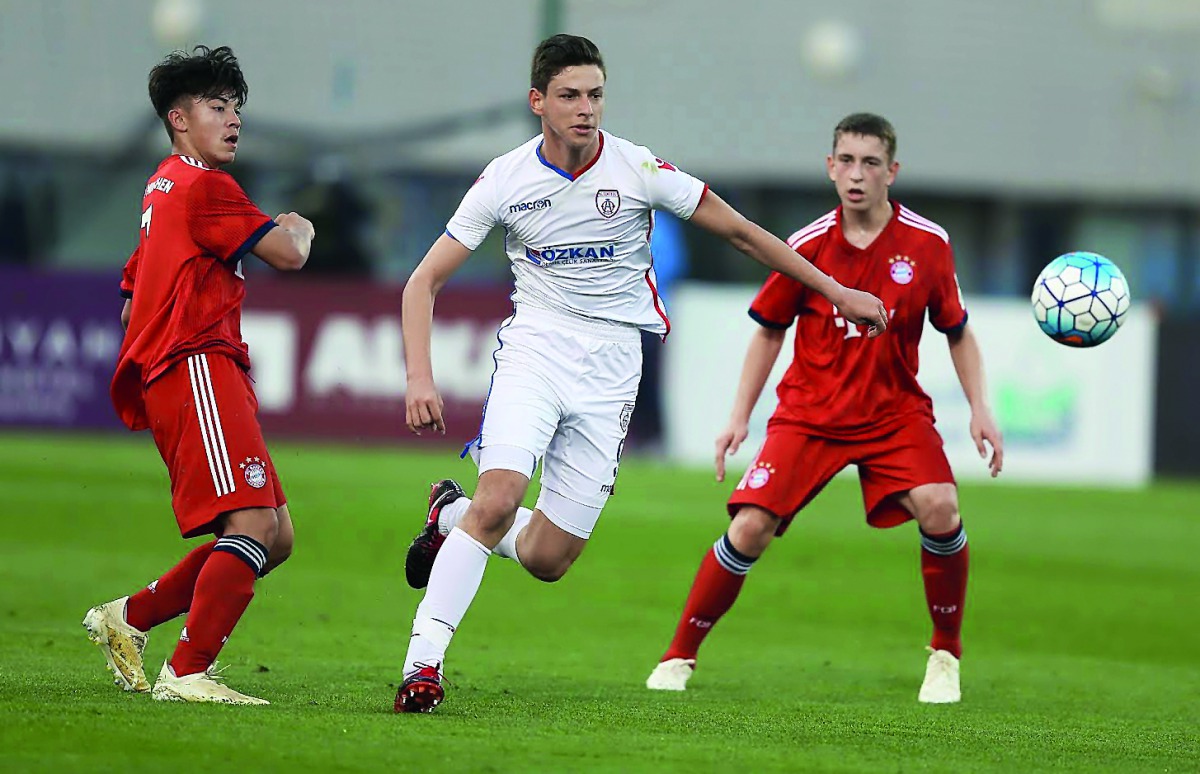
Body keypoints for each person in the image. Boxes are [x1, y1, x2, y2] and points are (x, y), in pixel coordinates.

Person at [394, 35, 888, 714]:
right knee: (502, 493)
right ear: (538, 102)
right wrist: (420, 377)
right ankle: (424, 664)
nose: (585, 108)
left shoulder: (639, 168)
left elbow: (742, 232)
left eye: (595, 94)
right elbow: (422, 282)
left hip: (613, 366)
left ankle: (449, 514)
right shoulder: (505, 178)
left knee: (547, 559)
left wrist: (835, 291)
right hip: (536, 350)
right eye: (569, 95)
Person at [645, 112, 1004, 704]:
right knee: (750, 527)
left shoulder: (928, 244)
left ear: (893, 171)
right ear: (829, 166)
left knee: (941, 505)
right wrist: (738, 416)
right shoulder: (807, 246)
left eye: (869, 162)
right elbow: (767, 330)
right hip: (810, 414)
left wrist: (980, 408)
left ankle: (945, 655)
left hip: (894, 414)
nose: (855, 174)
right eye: (845, 160)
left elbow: (957, 330)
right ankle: (678, 655)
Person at [82, 45, 315, 706]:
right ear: (180, 118)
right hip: (196, 367)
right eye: (218, 107)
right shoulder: (206, 186)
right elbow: (290, 254)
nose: (233, 119)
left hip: (193, 369)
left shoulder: (162, 184)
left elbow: (133, 287)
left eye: (236, 107)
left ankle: (129, 617)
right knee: (251, 527)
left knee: (277, 535)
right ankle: (187, 672)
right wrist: (300, 222)